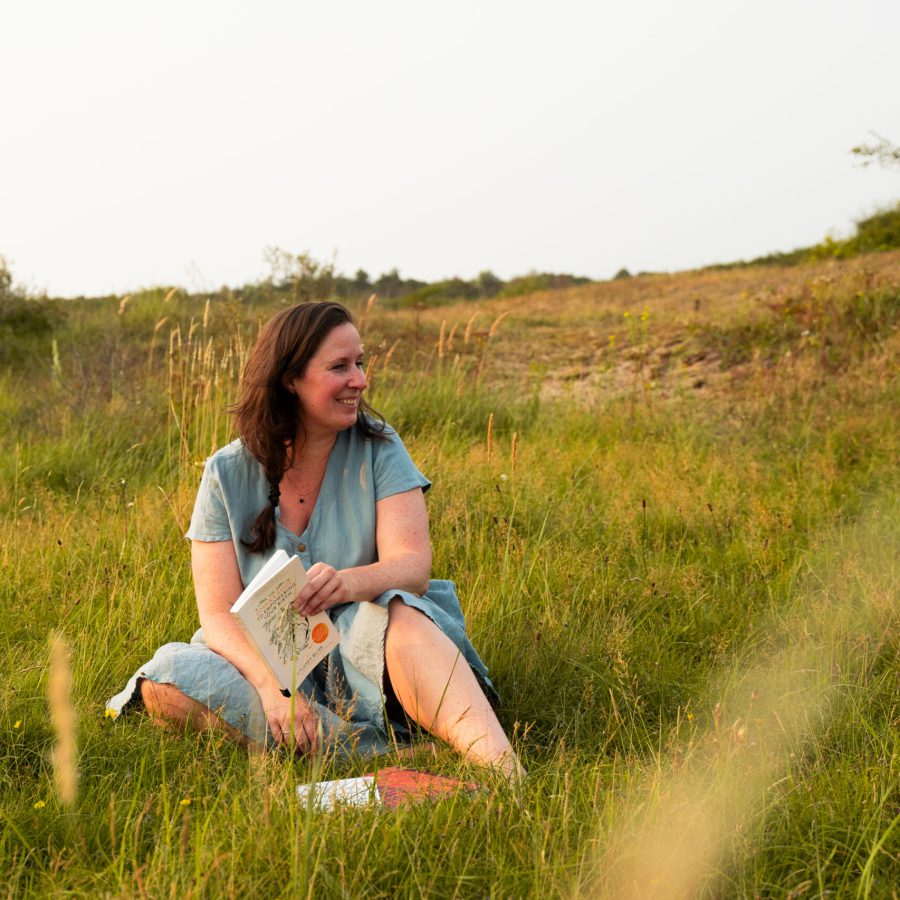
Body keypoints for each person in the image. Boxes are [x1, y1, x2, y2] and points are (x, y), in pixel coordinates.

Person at [107, 301, 522, 779]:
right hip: (269, 659)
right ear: (291, 380)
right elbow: (217, 615)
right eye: (339, 367)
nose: (360, 380)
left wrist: (347, 583)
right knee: (165, 682)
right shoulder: (226, 471)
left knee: (404, 615)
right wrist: (274, 689)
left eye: (360, 363)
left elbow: (412, 567)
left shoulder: (379, 447)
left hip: (369, 648)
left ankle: (502, 772)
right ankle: (375, 751)